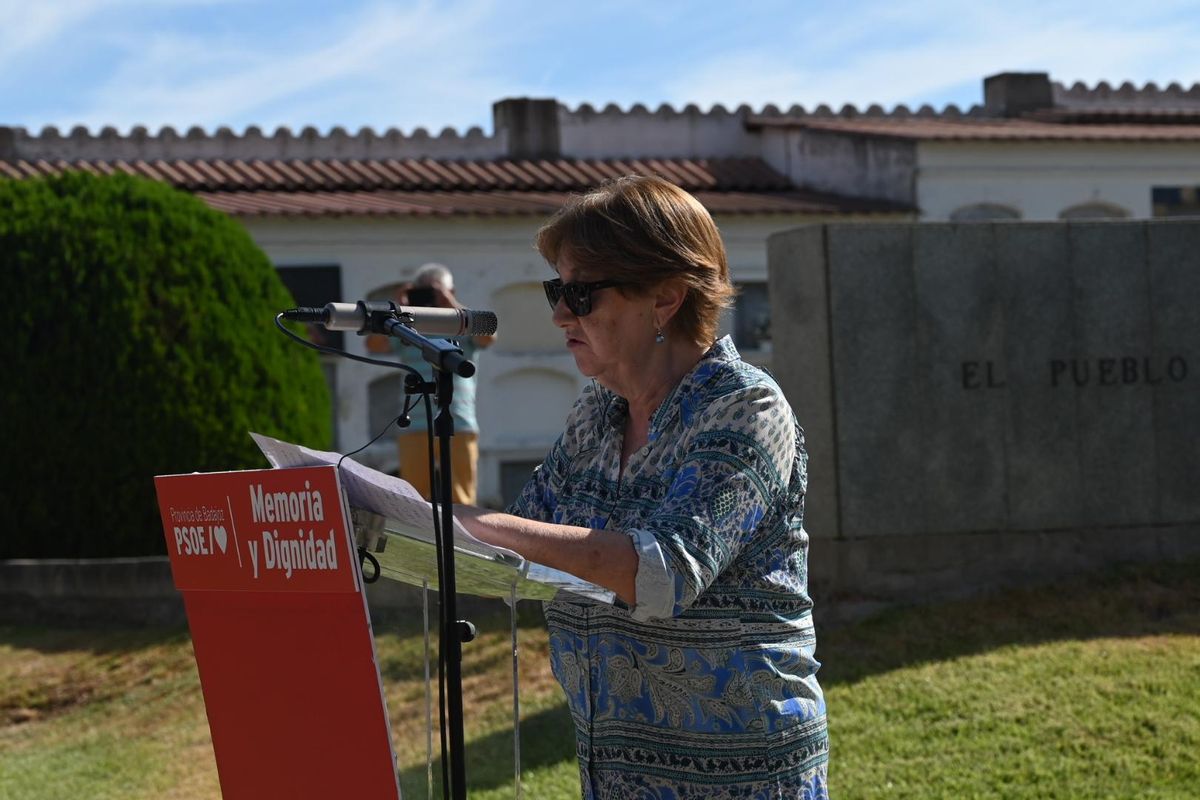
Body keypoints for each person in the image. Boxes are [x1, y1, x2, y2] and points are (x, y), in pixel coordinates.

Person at [455, 175, 829, 798]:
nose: (558, 314)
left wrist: (472, 522)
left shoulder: (746, 407)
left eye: (578, 293)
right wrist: (390, 516)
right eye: (557, 289)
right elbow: (522, 545)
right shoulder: (595, 413)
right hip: (618, 770)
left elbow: (664, 574)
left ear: (665, 298)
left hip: (741, 775)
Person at [375, 263, 494, 505]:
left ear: (452, 291)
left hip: (458, 422)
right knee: (414, 500)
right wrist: (397, 312)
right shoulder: (409, 328)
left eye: (435, 292)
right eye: (425, 292)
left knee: (462, 499)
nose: (431, 298)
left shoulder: (464, 325)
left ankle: (462, 541)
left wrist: (449, 303)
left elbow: (489, 335)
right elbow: (374, 346)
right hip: (415, 424)